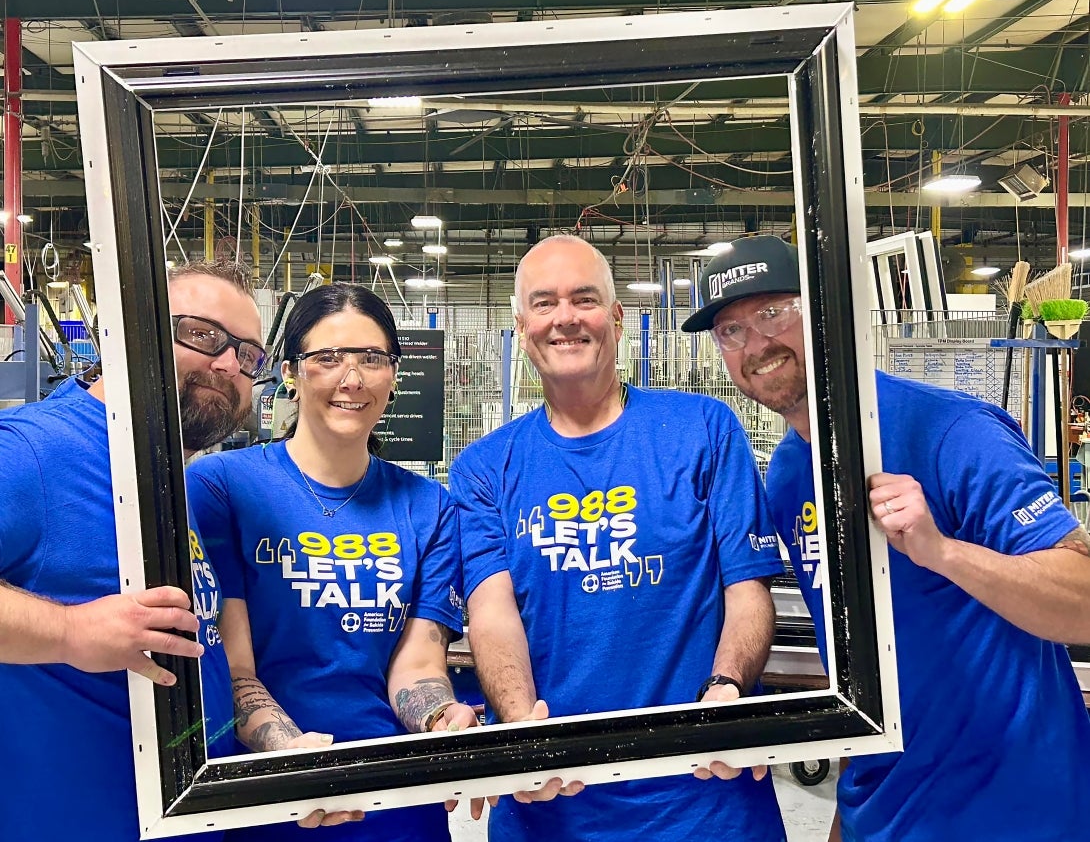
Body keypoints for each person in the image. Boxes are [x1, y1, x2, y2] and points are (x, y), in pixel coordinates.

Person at [682, 234, 1090, 842]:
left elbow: (1083, 599)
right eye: (731, 331)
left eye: (773, 312)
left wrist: (943, 552)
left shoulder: (952, 431)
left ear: (824, 314)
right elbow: (854, 664)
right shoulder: (790, 474)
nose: (757, 343)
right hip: (886, 813)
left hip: (1011, 810)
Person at [449, 234, 788, 842]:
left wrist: (727, 688)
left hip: (705, 801)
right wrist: (521, 722)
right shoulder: (483, 468)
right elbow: (492, 612)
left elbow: (746, 586)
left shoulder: (703, 430)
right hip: (551, 809)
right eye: (545, 303)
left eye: (585, 299)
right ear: (522, 324)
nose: (566, 318)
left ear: (618, 317)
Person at [186, 282, 475, 841]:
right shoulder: (222, 488)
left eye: (372, 358)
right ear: (292, 373)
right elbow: (235, 669)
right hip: (271, 797)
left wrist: (443, 721)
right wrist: (292, 756)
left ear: (394, 374)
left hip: (394, 799)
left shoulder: (429, 507)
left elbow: (416, 667)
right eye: (327, 359)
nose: (352, 379)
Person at [0, 259, 263, 841]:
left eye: (248, 355)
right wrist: (67, 632)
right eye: (201, 334)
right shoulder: (35, 452)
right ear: (129, 332)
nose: (226, 364)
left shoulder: (167, 478)